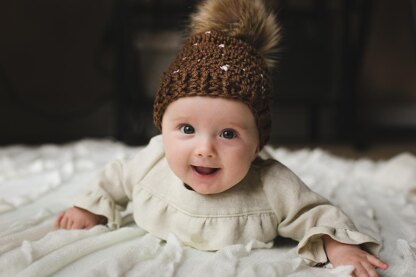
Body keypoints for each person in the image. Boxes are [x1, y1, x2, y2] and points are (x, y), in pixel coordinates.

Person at [55, 0, 388, 276]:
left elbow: (315, 212)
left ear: (258, 143)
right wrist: (91, 208)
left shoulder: (271, 185)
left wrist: (337, 244)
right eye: (186, 129)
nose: (205, 149)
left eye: (228, 134)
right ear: (161, 126)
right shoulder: (153, 159)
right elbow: (116, 178)